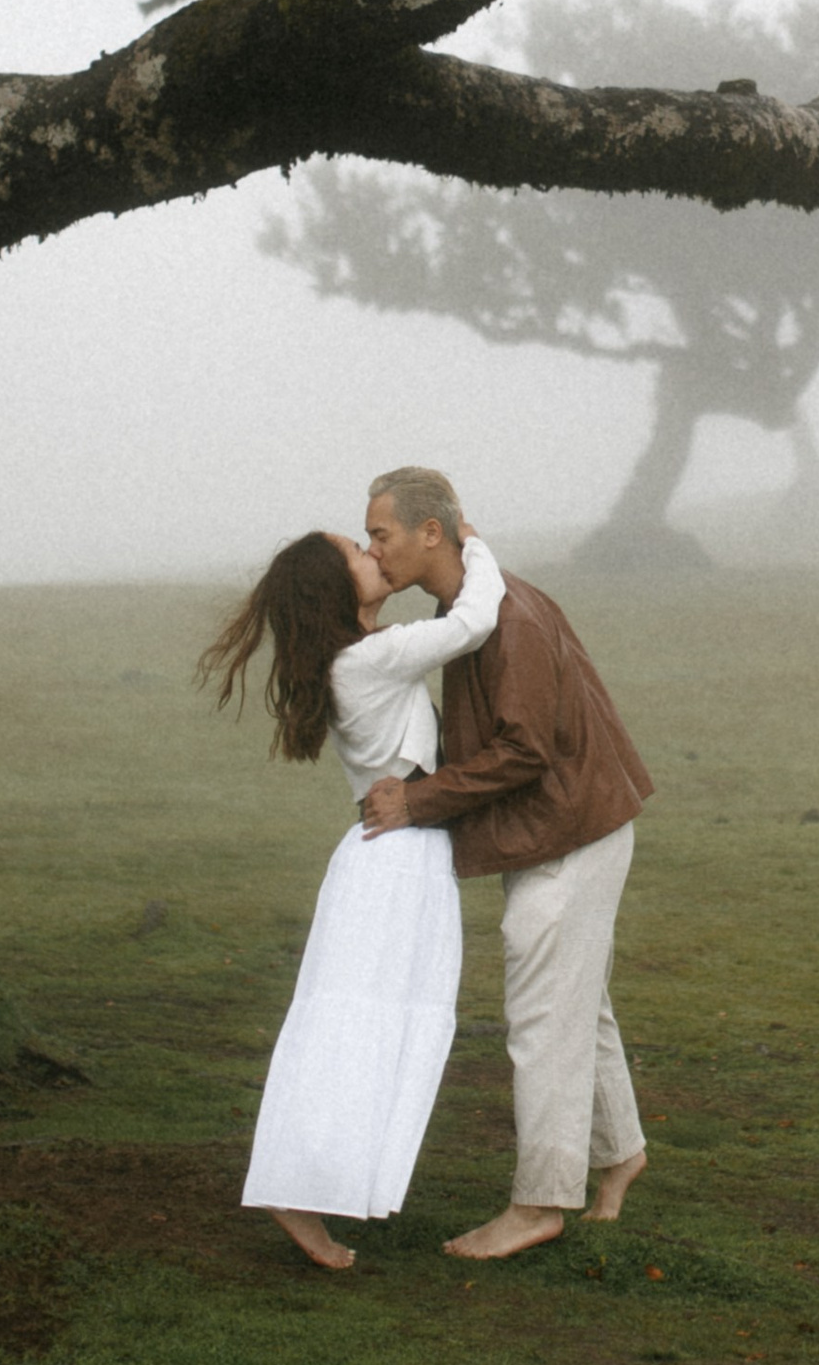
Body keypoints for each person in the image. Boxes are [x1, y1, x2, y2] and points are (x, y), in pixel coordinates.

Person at [358, 465, 652, 1263]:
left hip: (572, 831)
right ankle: (619, 1154)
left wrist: (416, 804)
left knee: (541, 1017)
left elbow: (526, 750)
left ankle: (539, 1204)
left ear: (431, 534)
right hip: (564, 826)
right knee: (575, 1004)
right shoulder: (476, 603)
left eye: (380, 534)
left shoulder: (506, 619)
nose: (371, 550)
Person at [199, 514, 506, 1271]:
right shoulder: (369, 660)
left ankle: (309, 1183)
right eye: (358, 553)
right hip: (393, 866)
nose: (374, 554)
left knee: (366, 1025)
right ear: (335, 590)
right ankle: (298, 1186)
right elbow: (474, 620)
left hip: (394, 859)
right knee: (361, 1026)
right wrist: (475, 545)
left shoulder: (359, 657)